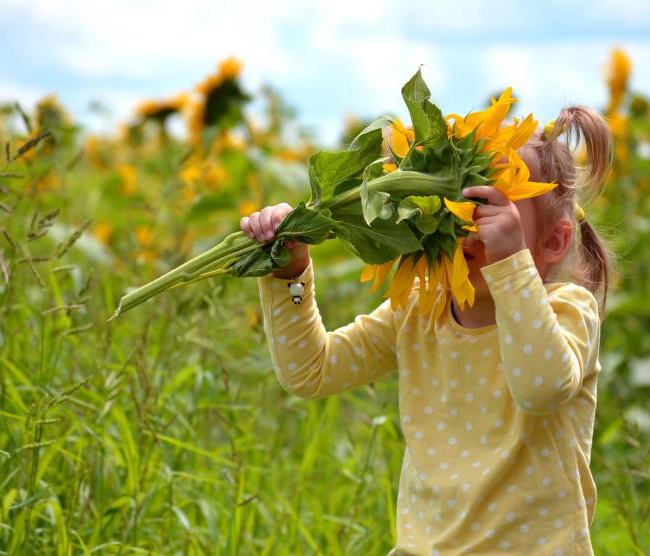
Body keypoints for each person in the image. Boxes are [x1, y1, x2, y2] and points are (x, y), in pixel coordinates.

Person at [241, 105, 615, 555]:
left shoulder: (566, 310)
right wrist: (290, 273)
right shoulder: (421, 310)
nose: (463, 218)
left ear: (553, 241)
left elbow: (540, 388)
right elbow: (312, 370)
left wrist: (511, 265)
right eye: (452, 196)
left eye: (488, 205)